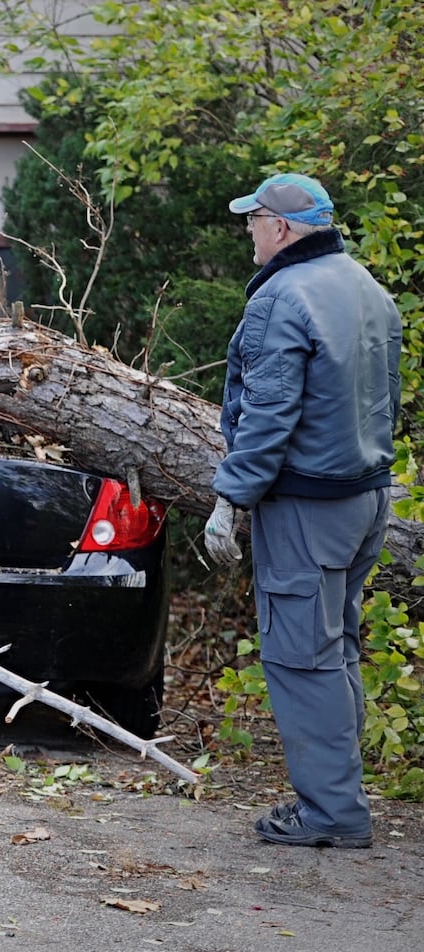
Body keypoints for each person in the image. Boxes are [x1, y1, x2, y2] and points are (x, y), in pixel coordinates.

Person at [205, 172, 401, 849]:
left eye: (252, 221)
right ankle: (337, 798)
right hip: (366, 499)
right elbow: (387, 401)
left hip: (307, 507)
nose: (249, 234)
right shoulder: (367, 289)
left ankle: (332, 814)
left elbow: (266, 417)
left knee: (299, 658)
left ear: (280, 227)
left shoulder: (283, 297)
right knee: (335, 649)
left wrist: (230, 495)